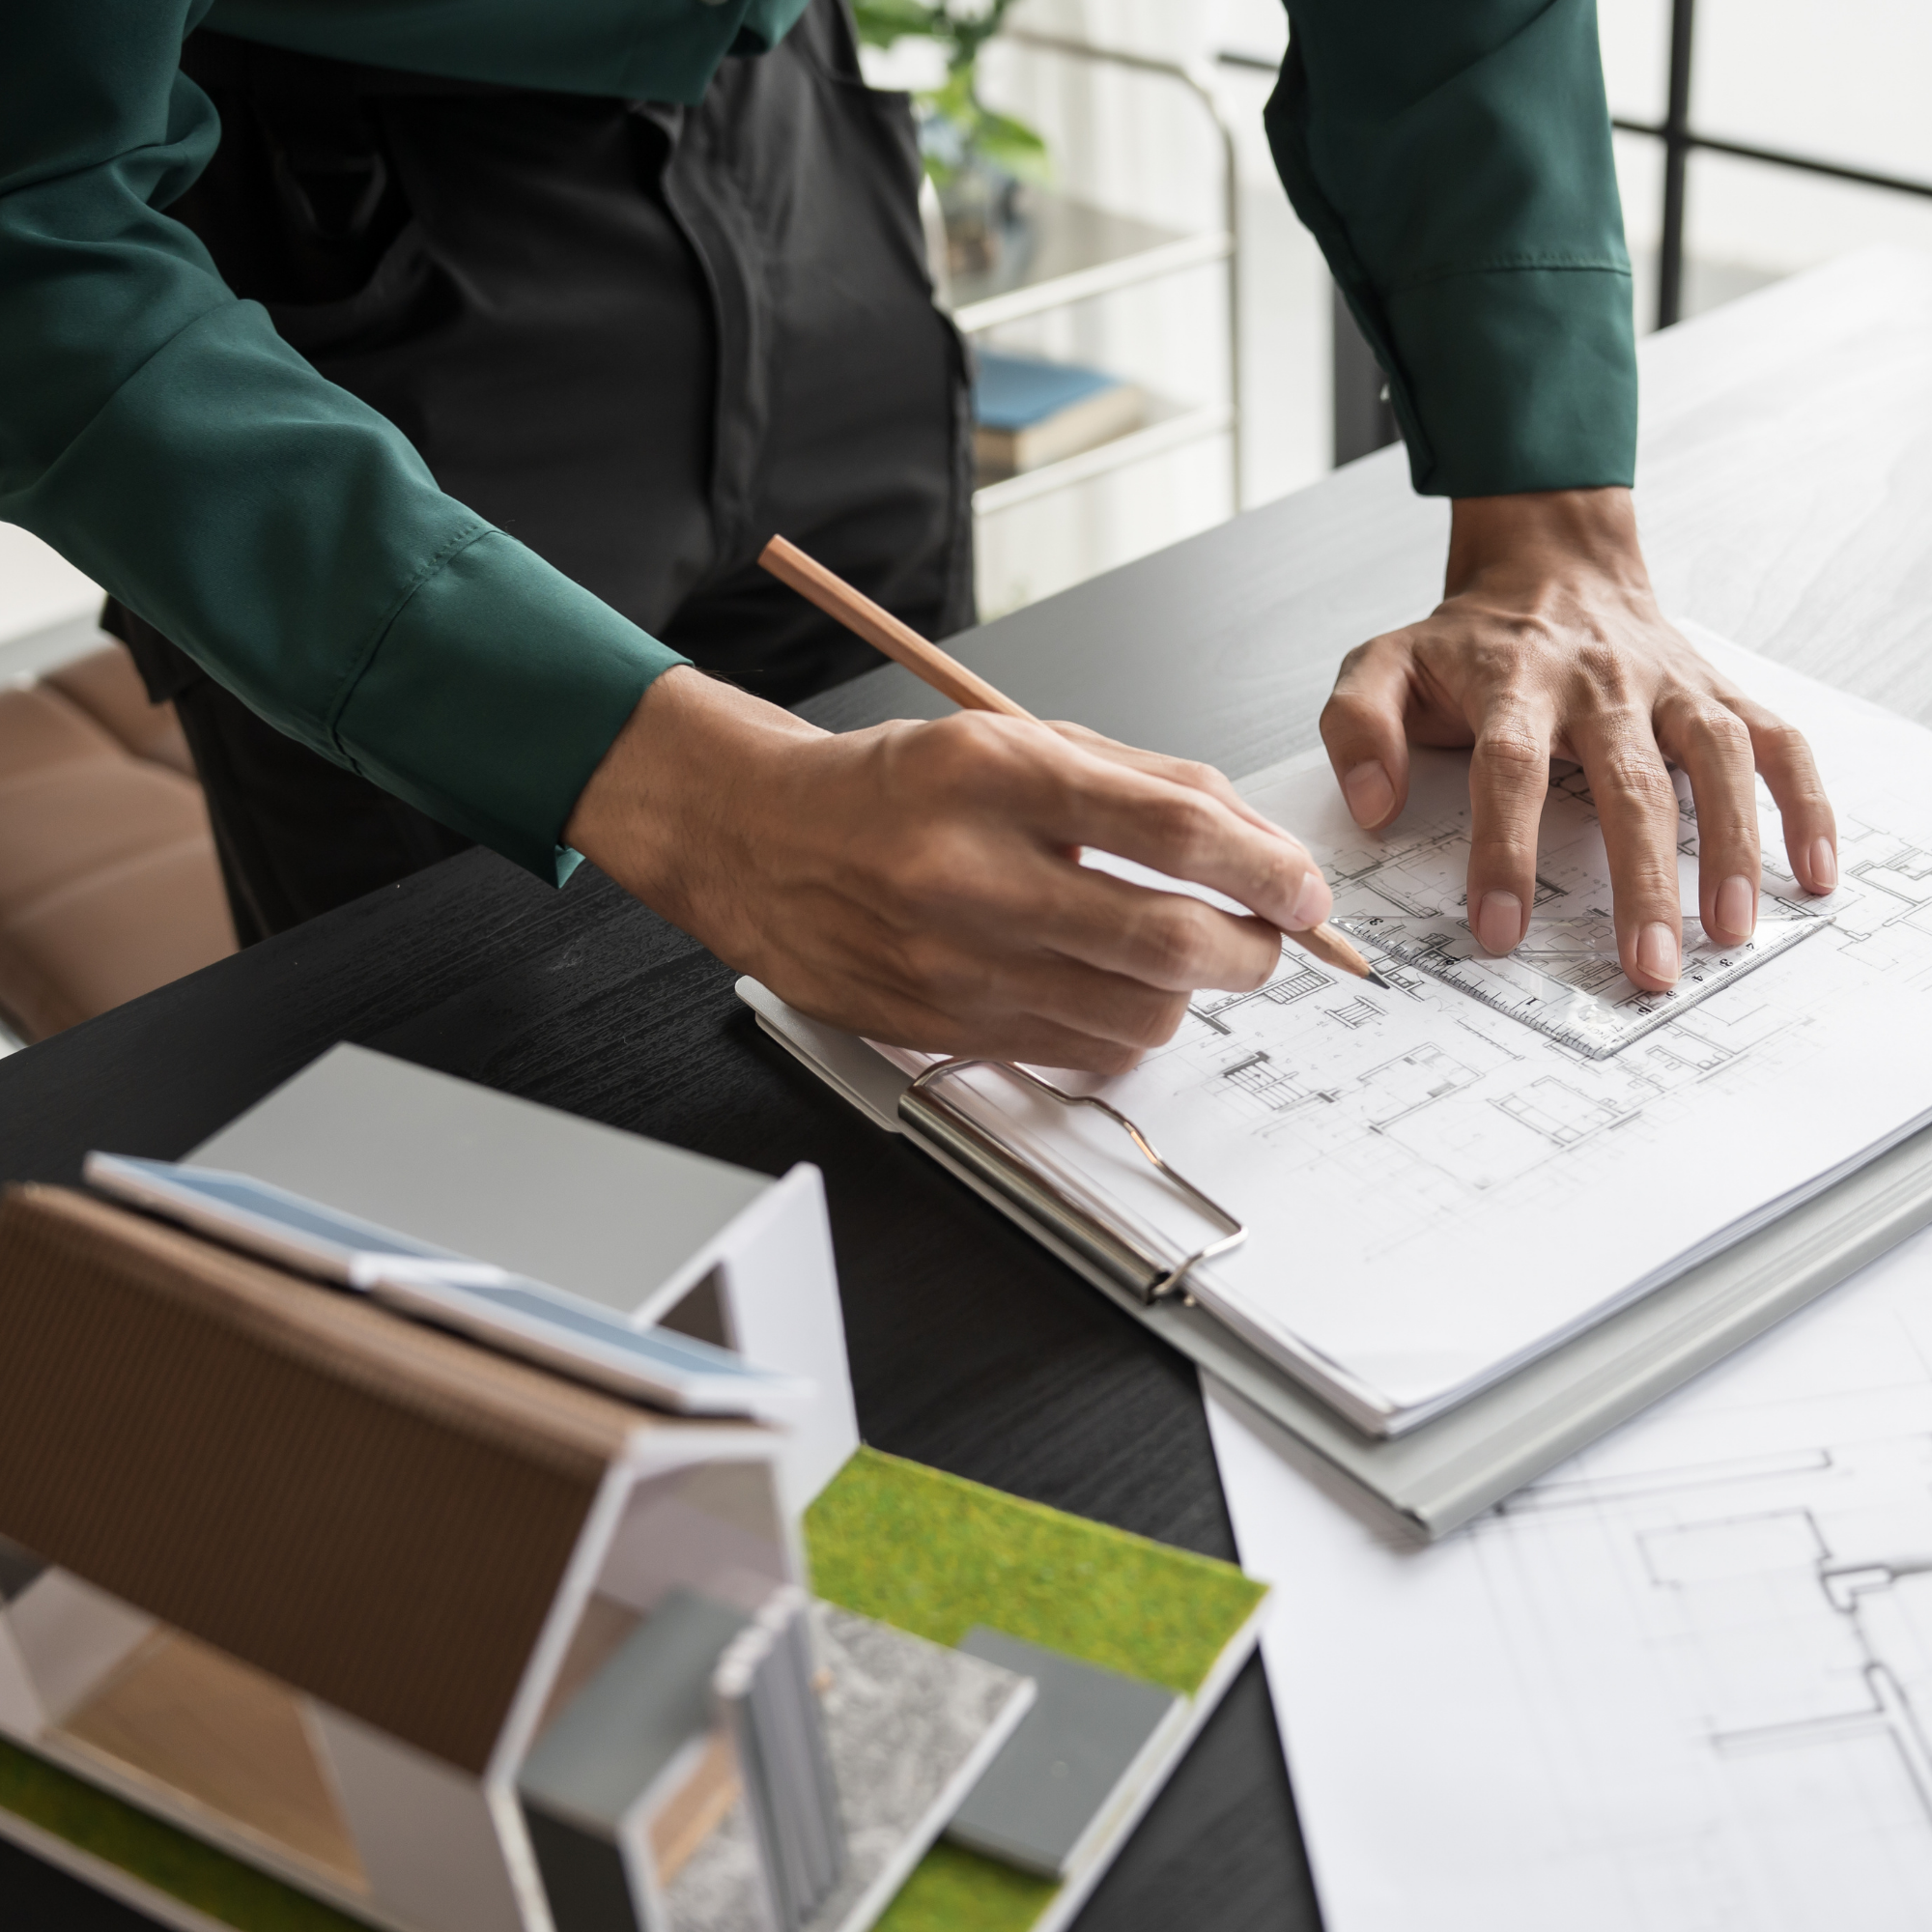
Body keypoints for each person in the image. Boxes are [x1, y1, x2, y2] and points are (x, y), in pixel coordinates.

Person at [0, 0, 1836, 1076]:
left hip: (788, 126)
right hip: (316, 243)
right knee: (498, 1082)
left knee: (940, 983)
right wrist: (703, 806)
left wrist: (1554, 521)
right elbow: (27, 224)